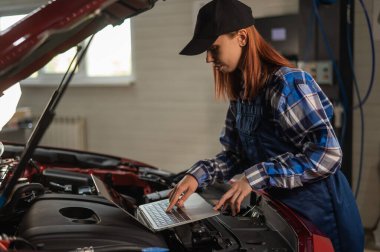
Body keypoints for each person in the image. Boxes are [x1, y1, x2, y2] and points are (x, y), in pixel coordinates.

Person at [166, 0, 364, 251]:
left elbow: (328, 154)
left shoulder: (287, 85)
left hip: (319, 214)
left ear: (241, 37)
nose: (208, 58)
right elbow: (236, 155)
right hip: (281, 212)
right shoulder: (241, 93)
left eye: (214, 48)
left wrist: (256, 176)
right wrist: (197, 175)